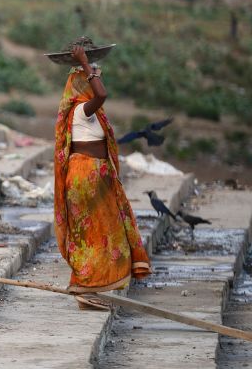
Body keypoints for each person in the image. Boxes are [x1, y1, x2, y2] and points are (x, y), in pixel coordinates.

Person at [53, 38, 151, 310]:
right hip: (86, 177)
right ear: (84, 83)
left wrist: (89, 66)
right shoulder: (81, 110)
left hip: (93, 177)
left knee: (98, 234)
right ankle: (86, 287)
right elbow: (102, 94)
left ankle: (88, 290)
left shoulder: (90, 113)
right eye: (93, 78)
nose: (98, 80)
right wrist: (86, 65)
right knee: (95, 234)